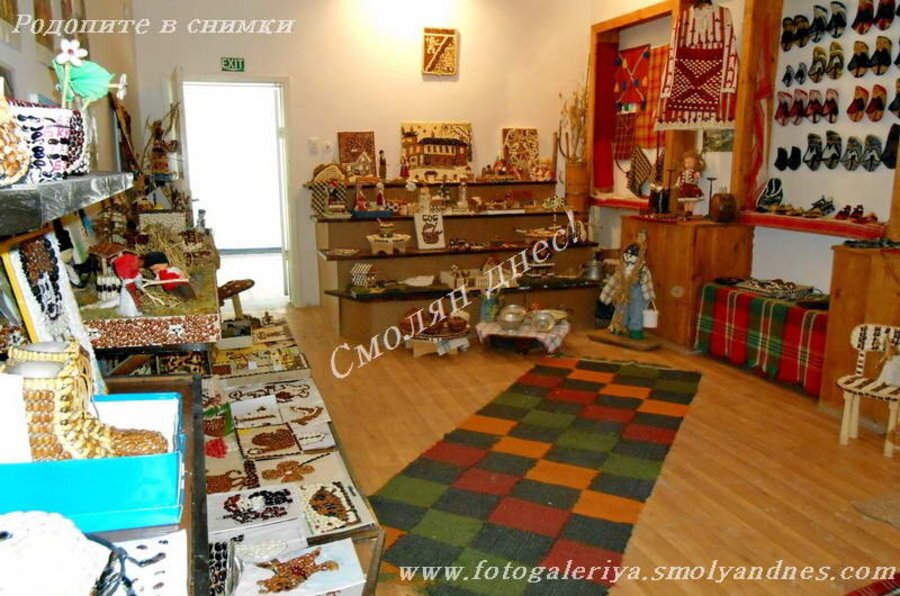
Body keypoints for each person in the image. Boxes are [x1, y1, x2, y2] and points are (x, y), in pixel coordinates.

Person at [599, 242, 655, 340]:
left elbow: (647, 283)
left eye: (631, 256)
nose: (628, 258)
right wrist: (606, 296)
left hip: (638, 295)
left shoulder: (642, 270)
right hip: (623, 293)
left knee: (637, 312)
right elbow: (614, 281)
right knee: (621, 309)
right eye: (626, 255)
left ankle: (636, 330)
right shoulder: (622, 269)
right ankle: (618, 326)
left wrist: (649, 297)